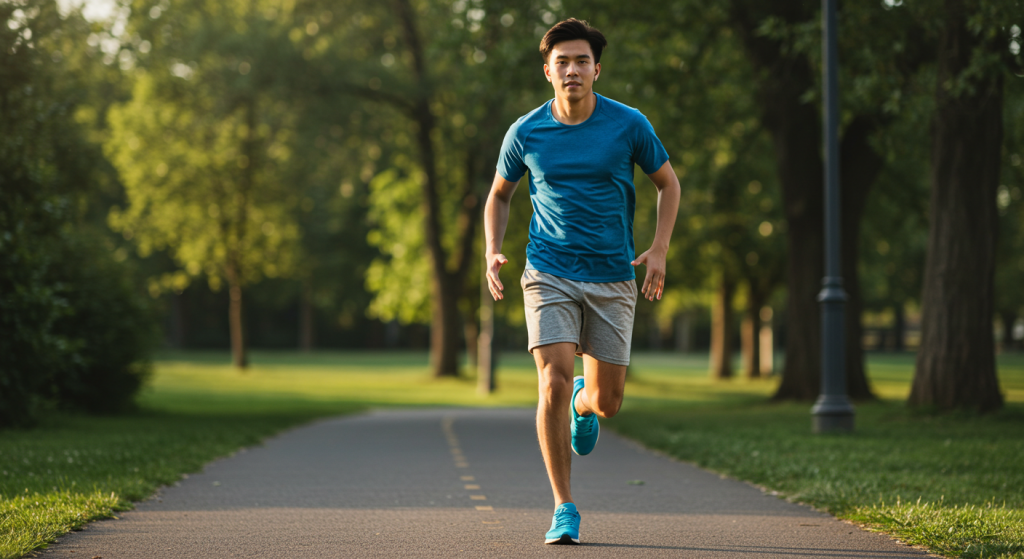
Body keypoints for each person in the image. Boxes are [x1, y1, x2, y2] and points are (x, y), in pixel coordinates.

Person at [483, 17, 681, 545]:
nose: (573, 69)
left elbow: (668, 184)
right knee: (550, 378)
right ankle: (563, 507)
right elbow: (499, 194)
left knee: (608, 401)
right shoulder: (526, 131)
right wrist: (493, 249)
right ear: (547, 71)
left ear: (597, 69)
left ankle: (583, 401)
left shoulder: (628, 124)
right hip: (548, 271)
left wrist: (659, 249)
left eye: (582, 60)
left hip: (614, 276)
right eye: (562, 61)